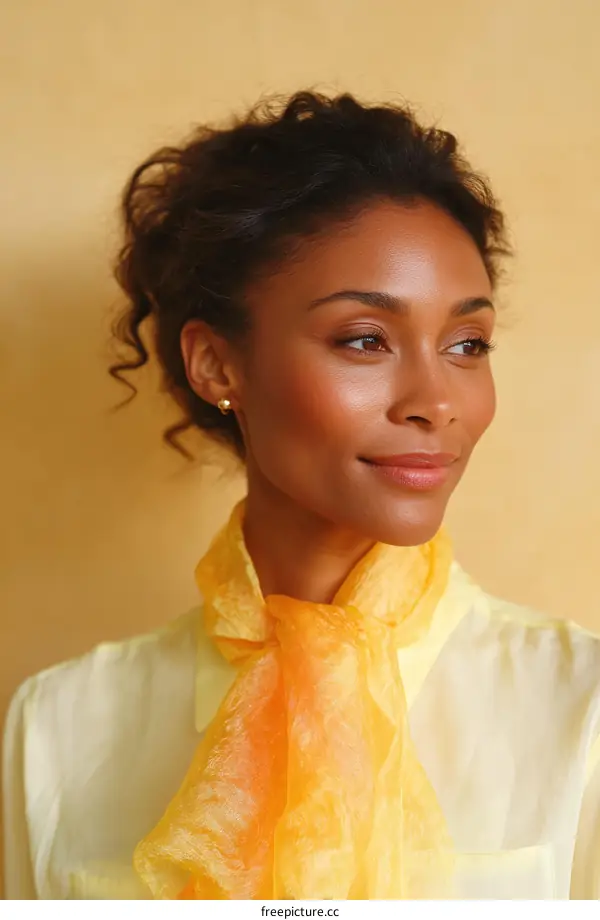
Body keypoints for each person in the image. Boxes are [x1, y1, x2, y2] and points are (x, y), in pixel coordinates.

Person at [3, 90, 600, 901]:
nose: (437, 400)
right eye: (365, 339)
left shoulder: (581, 711)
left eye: (467, 344)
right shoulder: (58, 726)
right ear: (217, 365)